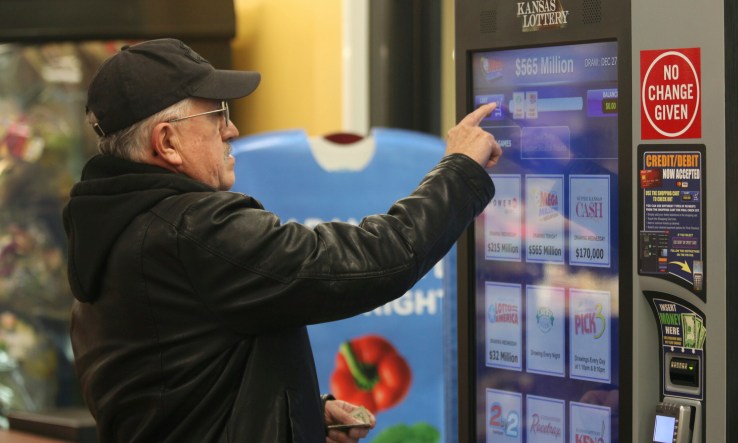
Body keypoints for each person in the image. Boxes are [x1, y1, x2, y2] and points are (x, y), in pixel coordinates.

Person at [63, 38, 500, 443]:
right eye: (217, 115)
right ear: (168, 142)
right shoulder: (193, 229)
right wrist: (459, 169)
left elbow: (186, 391)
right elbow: (371, 261)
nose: (231, 130)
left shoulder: (115, 227)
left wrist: (303, 417)